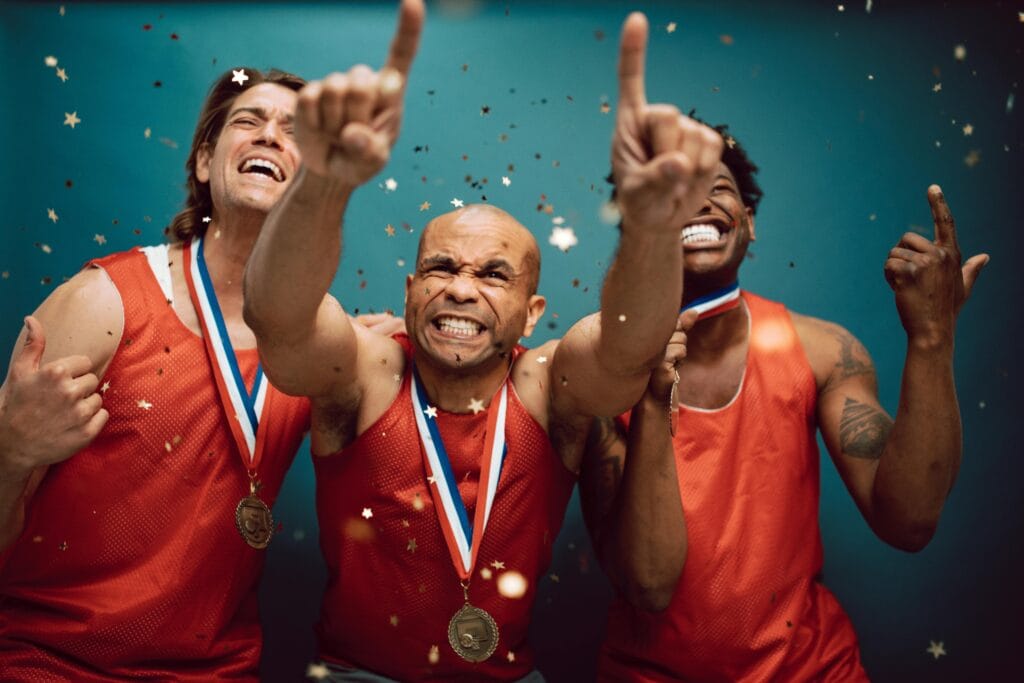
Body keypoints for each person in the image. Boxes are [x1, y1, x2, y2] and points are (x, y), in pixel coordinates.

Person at [242, 9, 723, 681]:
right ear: (410, 290)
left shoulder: (547, 385)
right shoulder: (369, 370)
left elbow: (626, 352)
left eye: (493, 274)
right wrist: (321, 180)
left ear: (532, 314)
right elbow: (280, 322)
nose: (462, 290)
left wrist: (650, 230)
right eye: (442, 268)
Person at [580, 80, 990, 683]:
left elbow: (908, 522)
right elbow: (646, 584)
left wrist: (933, 340)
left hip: (813, 671)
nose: (697, 203)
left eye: (717, 188)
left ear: (749, 223)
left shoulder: (824, 350)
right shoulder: (594, 372)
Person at [0, 61, 319, 679]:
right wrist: (9, 452)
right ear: (204, 162)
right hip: (51, 664)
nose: (271, 137)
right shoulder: (103, 302)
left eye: (296, 134)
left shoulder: (312, 347)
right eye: (249, 121)